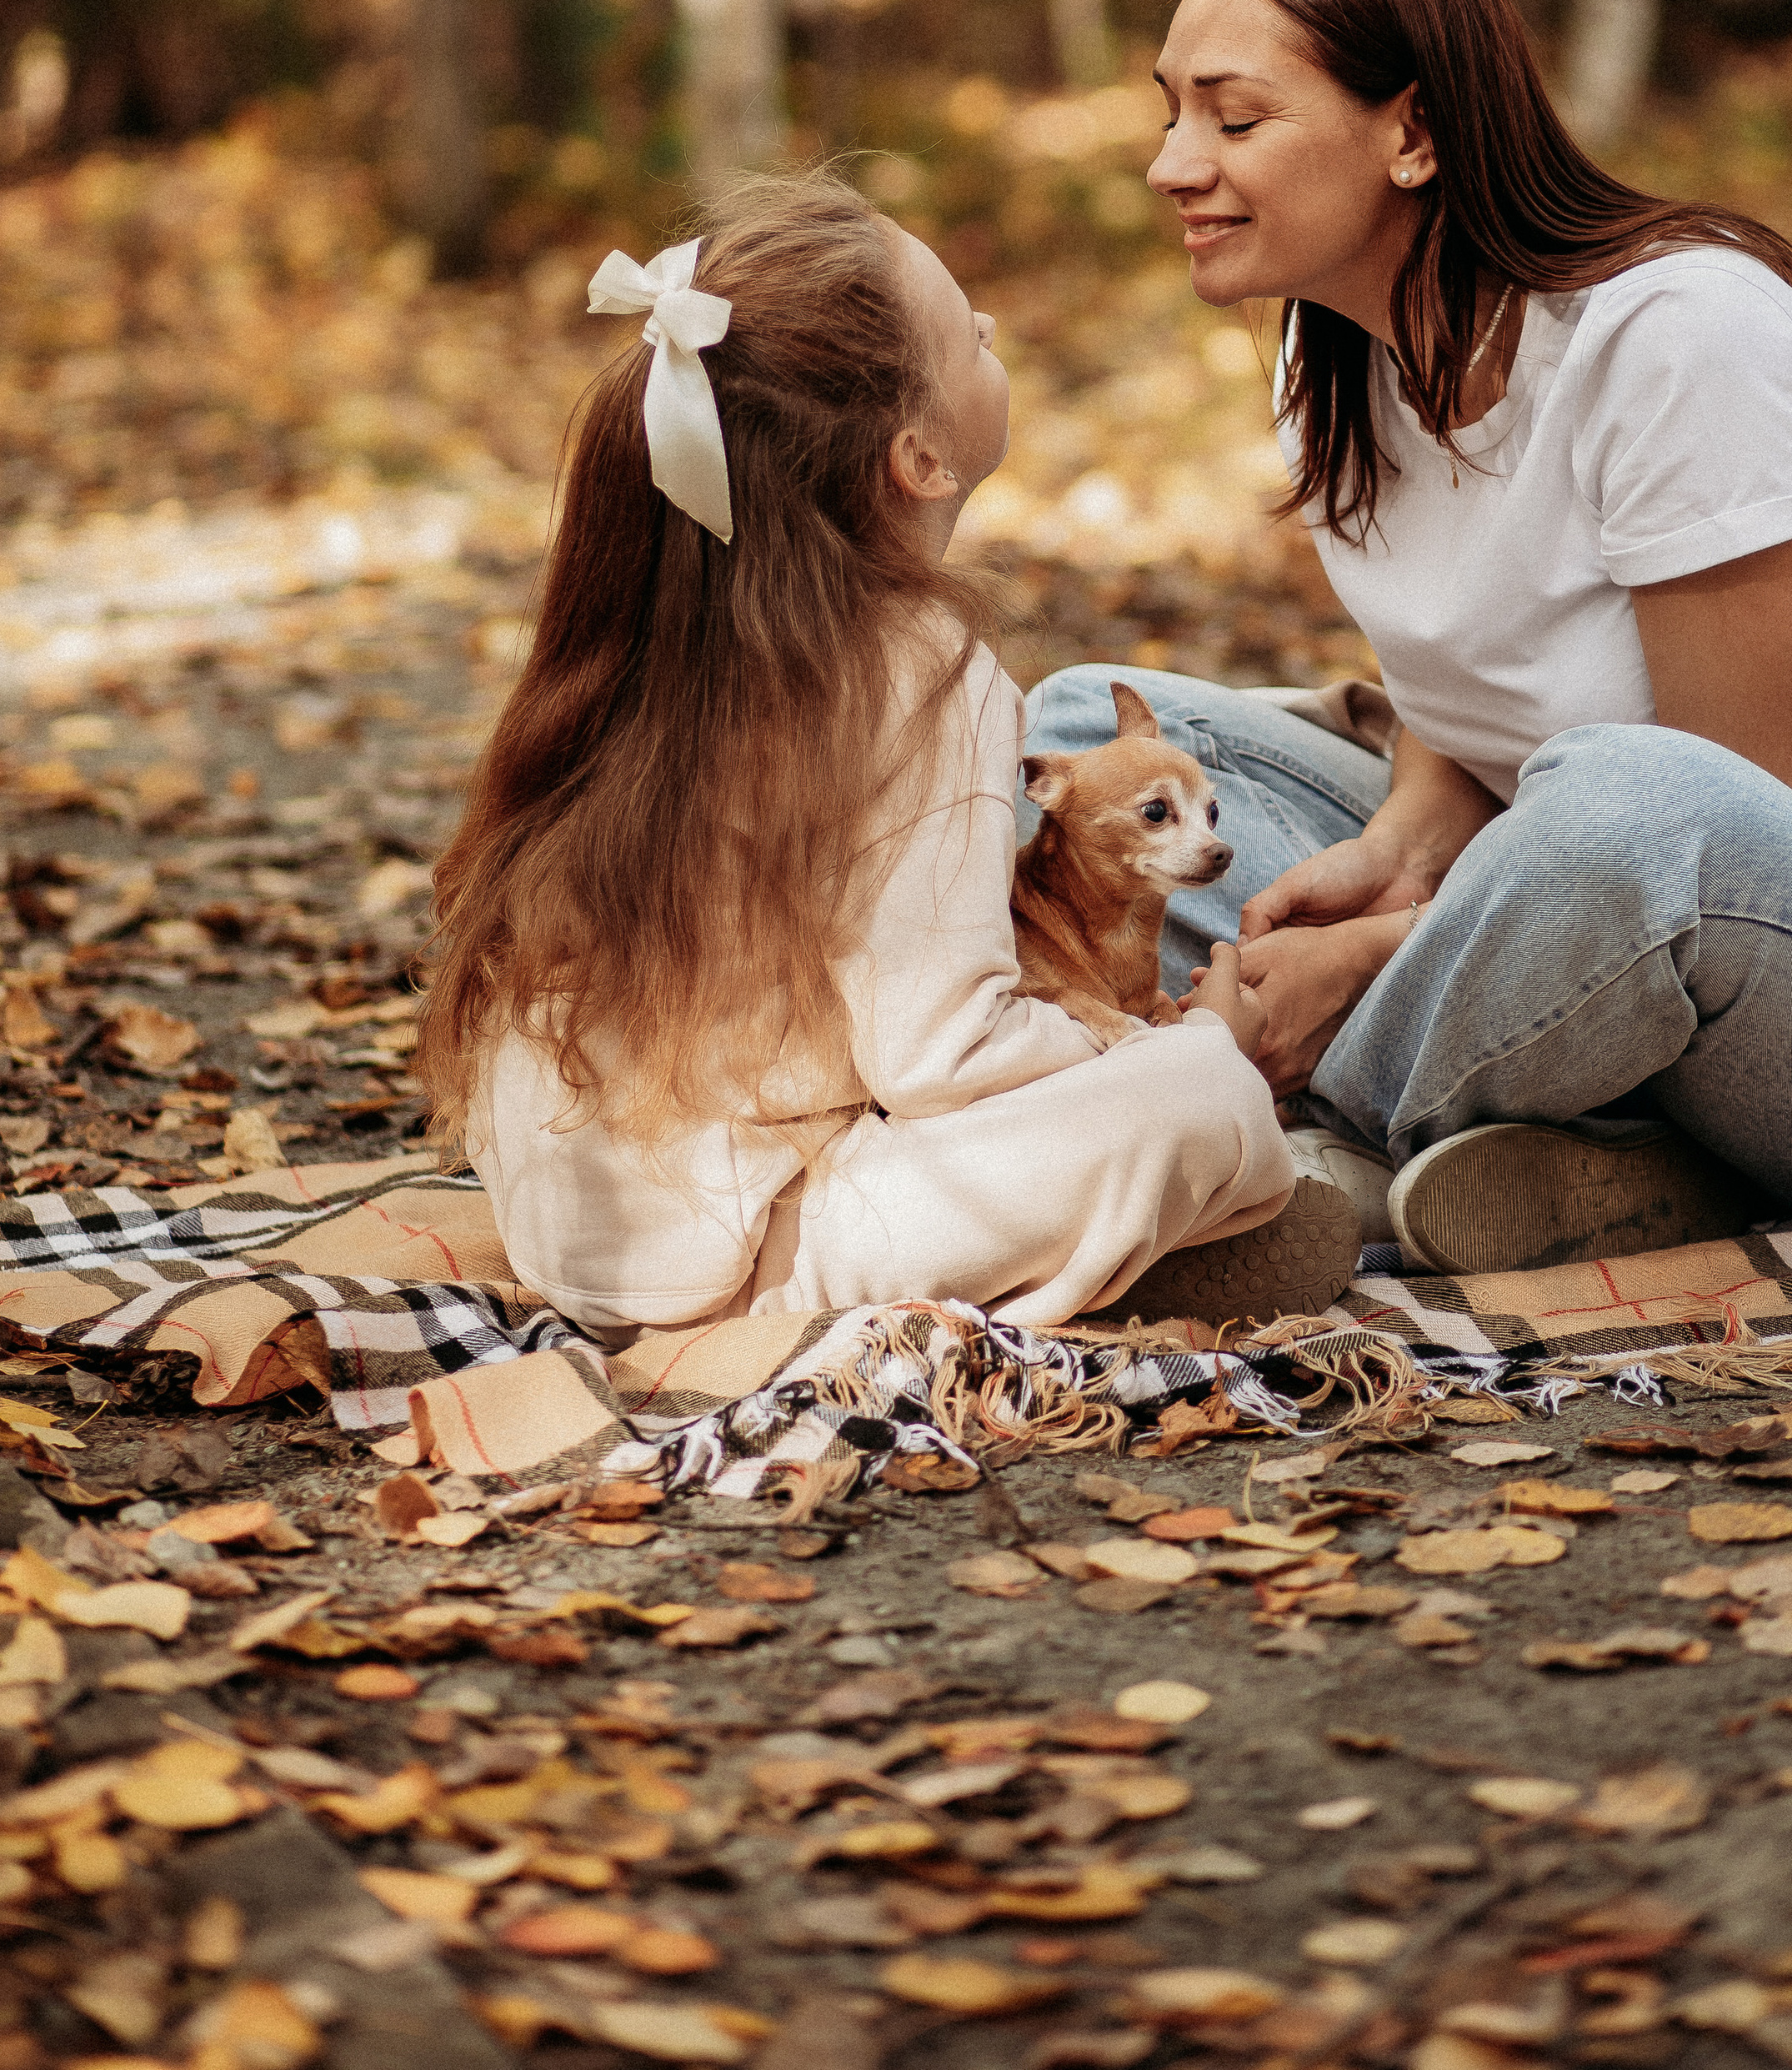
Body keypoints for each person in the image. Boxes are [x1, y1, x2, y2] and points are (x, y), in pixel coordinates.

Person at [1027, 0, 1792, 1273]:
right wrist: (1395, 850)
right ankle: (1604, 1157)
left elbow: (1733, 821)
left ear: (1413, 132)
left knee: (1629, 808)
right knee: (1081, 734)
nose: (1173, 164)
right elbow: (1477, 664)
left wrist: (1370, 952)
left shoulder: (1677, 336)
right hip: (1552, 892)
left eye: (1234, 119)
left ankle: (1264, 1141)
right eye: (1171, 111)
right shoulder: (1331, 349)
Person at [417, 173, 1316, 1337]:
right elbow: (946, 1053)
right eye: (969, 334)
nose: (994, 334)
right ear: (922, 461)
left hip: (565, 1214)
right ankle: (1143, 1236)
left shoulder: (672, 610)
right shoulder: (918, 671)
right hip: (752, 1247)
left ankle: (1135, 1222)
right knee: (1198, 1099)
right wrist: (1181, 1043)